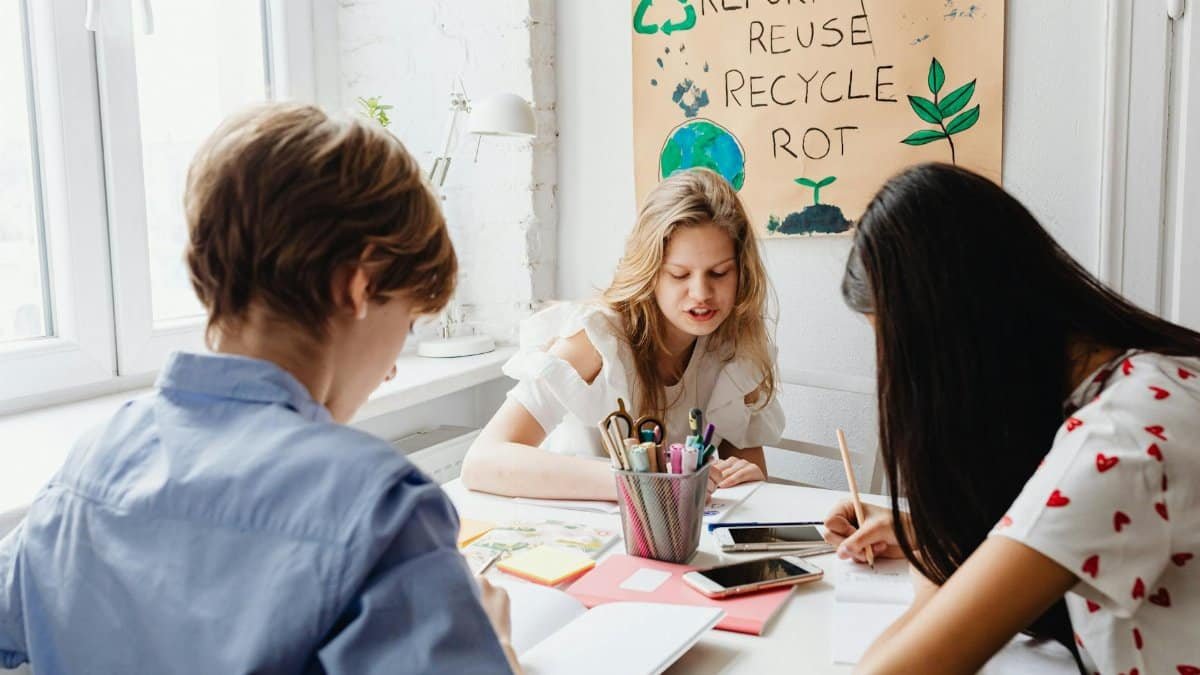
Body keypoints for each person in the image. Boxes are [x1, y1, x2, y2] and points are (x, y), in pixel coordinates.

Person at [0, 103, 519, 674]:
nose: (393, 366)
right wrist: (496, 648)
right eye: (409, 322)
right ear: (359, 285)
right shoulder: (382, 509)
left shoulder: (91, 461)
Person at [823, 163, 1200, 674]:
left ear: (950, 338)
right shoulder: (1158, 379)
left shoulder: (1116, 444)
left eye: (892, 348)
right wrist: (936, 539)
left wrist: (936, 578)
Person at [461, 168, 784, 500]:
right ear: (650, 273)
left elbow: (744, 477)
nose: (701, 292)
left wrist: (748, 477)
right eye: (679, 274)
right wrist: (641, 480)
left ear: (741, 273)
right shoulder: (598, 339)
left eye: (719, 273)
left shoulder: (735, 349)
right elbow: (482, 461)